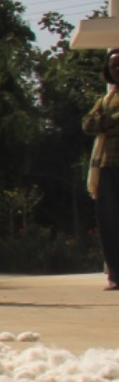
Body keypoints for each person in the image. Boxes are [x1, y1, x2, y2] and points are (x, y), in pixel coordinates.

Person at [84, 47, 119, 290]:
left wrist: (105, 123)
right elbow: (88, 123)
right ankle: (116, 275)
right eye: (114, 65)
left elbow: (108, 122)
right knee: (109, 223)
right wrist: (108, 122)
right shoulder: (106, 99)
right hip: (107, 166)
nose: (118, 69)